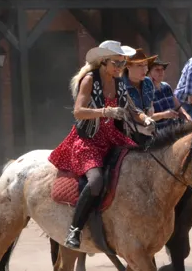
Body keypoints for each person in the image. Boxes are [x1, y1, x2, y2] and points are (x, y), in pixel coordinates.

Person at [48, 40, 154, 249]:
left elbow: (132, 109)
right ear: (104, 62)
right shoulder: (89, 80)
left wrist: (145, 119)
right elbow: (78, 111)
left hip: (113, 137)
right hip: (88, 141)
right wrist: (105, 111)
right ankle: (75, 229)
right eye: (117, 63)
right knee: (96, 182)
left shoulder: (120, 81)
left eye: (123, 64)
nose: (120, 68)